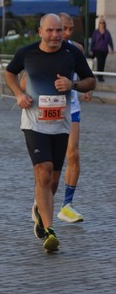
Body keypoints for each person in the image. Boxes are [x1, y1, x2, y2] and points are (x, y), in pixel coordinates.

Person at [5, 14, 95, 253]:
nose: (55, 35)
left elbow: (90, 81)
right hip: (34, 123)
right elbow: (9, 73)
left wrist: (72, 84)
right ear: (40, 32)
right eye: (50, 31)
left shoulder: (72, 53)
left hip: (60, 123)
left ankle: (39, 208)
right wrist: (18, 95)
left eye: (59, 31)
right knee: (43, 172)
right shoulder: (27, 52)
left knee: (53, 179)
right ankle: (49, 230)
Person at [57, 13, 92, 223]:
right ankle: (41, 202)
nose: (67, 33)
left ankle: (67, 205)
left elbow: (85, 76)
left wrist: (84, 89)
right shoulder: (41, 50)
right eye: (64, 28)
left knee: (73, 154)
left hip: (72, 107)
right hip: (49, 109)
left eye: (70, 29)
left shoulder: (77, 49)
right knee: (49, 164)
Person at [90, 18, 114, 82]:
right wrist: (91, 50)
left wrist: (112, 49)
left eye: (103, 23)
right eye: (100, 23)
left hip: (105, 50)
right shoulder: (96, 32)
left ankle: (101, 76)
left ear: (104, 24)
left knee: (103, 63)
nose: (102, 24)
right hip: (98, 49)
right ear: (99, 24)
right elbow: (93, 41)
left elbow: (110, 40)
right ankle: (99, 76)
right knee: (100, 62)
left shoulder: (107, 32)